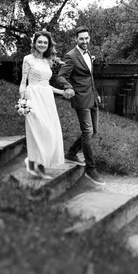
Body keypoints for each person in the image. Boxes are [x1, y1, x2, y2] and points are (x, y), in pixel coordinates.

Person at [56, 26, 105, 185]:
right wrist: (68, 87)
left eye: (86, 38)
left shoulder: (89, 54)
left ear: (89, 38)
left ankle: (71, 152)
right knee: (88, 131)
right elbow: (61, 77)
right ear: (76, 39)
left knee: (94, 131)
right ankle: (91, 169)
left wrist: (96, 93)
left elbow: (89, 77)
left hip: (92, 97)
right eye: (81, 39)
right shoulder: (70, 56)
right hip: (80, 99)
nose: (84, 41)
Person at [19, 30, 67, 179]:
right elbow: (23, 83)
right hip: (33, 97)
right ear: (34, 43)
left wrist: (62, 92)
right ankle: (36, 165)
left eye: (45, 42)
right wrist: (23, 102)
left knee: (50, 132)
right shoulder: (28, 59)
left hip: (47, 99)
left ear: (48, 45)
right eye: (39, 41)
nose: (42, 44)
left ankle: (36, 164)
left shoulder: (47, 61)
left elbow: (46, 85)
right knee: (40, 131)